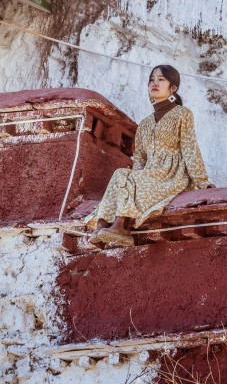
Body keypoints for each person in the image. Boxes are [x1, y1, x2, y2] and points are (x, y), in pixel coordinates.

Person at [87, 64, 214, 247]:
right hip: (150, 173)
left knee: (131, 179)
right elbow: (139, 155)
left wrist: (202, 181)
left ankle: (121, 225)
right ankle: (102, 227)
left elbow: (190, 148)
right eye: (151, 80)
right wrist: (138, 166)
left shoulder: (182, 114)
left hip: (171, 174)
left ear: (173, 88)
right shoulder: (145, 123)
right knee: (120, 174)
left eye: (161, 80)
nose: (154, 83)